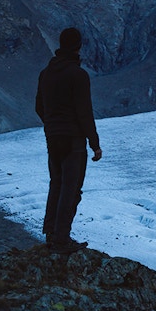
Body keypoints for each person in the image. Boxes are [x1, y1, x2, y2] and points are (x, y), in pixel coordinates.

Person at [35, 26, 102, 254]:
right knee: (71, 189)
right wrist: (94, 144)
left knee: (56, 183)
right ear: (78, 46)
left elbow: (39, 106)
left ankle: (51, 233)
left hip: (52, 138)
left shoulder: (45, 74)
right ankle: (62, 239)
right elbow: (84, 112)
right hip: (73, 140)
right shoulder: (78, 75)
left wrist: (52, 125)